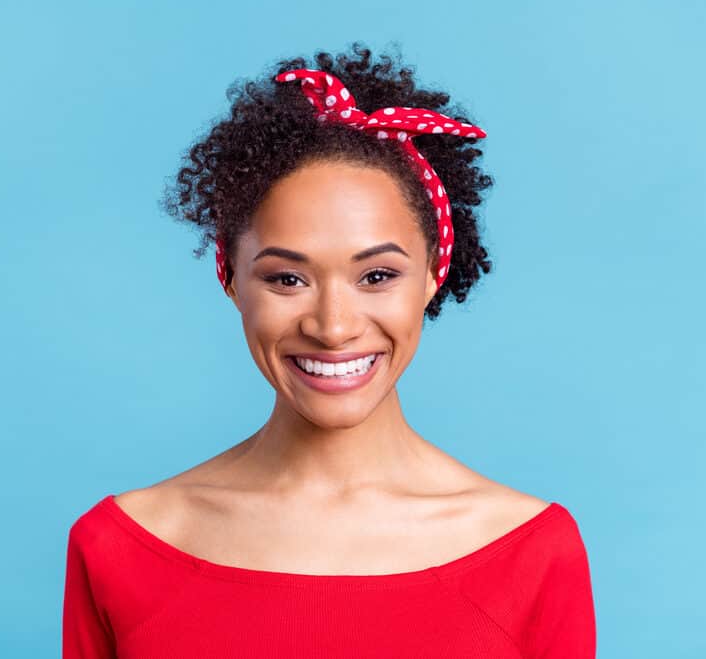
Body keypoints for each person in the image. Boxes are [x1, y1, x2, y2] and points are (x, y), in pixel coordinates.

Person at [62, 42, 596, 658]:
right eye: (287, 279)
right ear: (231, 280)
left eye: (377, 276)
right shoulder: (120, 547)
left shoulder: (530, 550)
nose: (333, 327)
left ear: (433, 273)